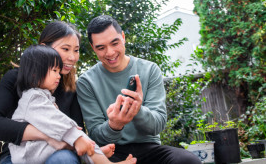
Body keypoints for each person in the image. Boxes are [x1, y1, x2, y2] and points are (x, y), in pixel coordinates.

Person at [0, 21, 123, 164]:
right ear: (44, 48)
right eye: (65, 49)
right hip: (18, 156)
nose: (73, 57)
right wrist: (46, 136)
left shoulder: (71, 88)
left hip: (58, 155)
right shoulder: (16, 78)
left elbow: (77, 132)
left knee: (65, 158)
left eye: (76, 50)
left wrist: (93, 150)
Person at [76, 15, 202, 164]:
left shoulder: (150, 70)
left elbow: (158, 125)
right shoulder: (86, 82)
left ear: (123, 37)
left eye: (114, 43)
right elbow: (96, 135)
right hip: (111, 152)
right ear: (93, 48)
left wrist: (138, 110)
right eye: (101, 48)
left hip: (150, 148)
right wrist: (114, 125)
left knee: (187, 160)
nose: (109, 53)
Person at [8, 44, 136, 164]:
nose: (58, 76)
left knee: (77, 137)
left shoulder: (45, 97)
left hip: (41, 148)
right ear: (35, 73)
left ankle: (94, 154)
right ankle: (100, 159)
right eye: (54, 71)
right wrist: (74, 132)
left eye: (59, 71)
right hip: (29, 153)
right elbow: (55, 121)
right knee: (75, 136)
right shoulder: (33, 97)